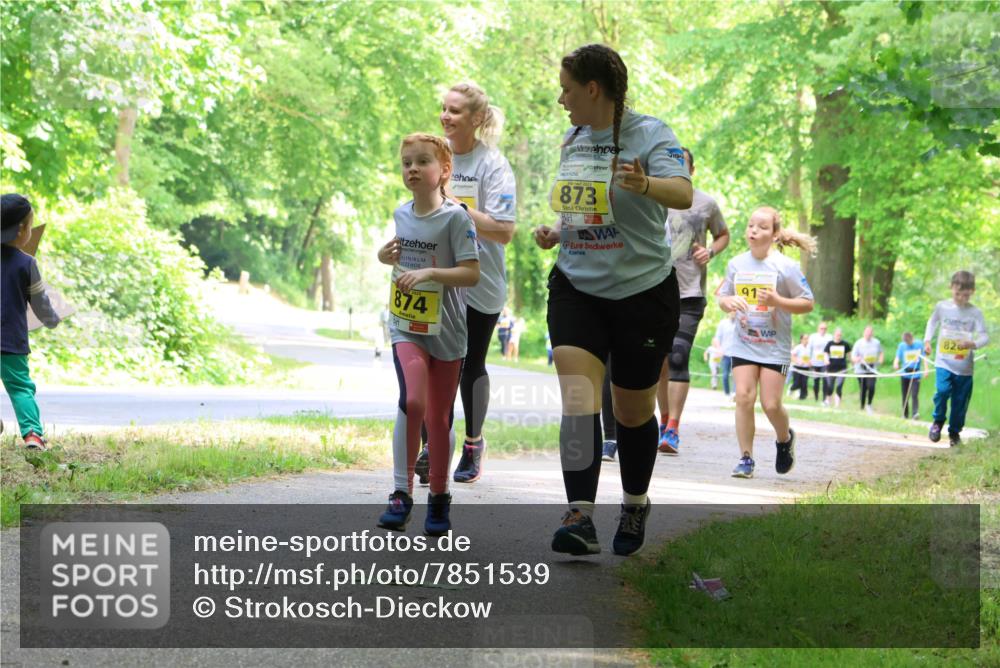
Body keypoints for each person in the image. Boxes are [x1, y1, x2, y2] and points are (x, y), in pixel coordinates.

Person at [533, 43, 692, 556]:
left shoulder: (652, 133)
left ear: (593, 89)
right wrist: (558, 230)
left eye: (567, 90)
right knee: (579, 397)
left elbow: (683, 192)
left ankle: (635, 502)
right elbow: (584, 207)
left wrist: (645, 183)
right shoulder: (574, 140)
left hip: (642, 292)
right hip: (576, 286)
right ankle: (579, 515)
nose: (561, 100)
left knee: (631, 410)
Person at [375, 134, 480, 535]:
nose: (413, 169)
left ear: (445, 171)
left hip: (448, 331)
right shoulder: (401, 214)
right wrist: (384, 257)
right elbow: (398, 261)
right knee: (412, 400)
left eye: (422, 162)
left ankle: (439, 497)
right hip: (406, 326)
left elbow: (471, 273)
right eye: (406, 163)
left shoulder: (456, 218)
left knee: (438, 417)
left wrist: (431, 273)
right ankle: (401, 494)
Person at [413, 84, 517, 486]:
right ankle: (431, 447)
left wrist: (455, 206)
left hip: (479, 281)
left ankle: (473, 443)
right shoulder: (433, 155)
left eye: (455, 111)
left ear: (476, 118)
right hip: (435, 278)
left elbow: (504, 231)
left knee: (469, 364)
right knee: (433, 363)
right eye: (443, 108)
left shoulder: (493, 165)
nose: (445, 116)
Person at [715, 206, 815, 479]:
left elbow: (807, 302)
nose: (754, 231)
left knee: (771, 404)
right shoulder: (736, 264)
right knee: (744, 397)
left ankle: (784, 439)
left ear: (775, 234)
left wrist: (777, 301)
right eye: (750, 226)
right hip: (743, 341)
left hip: (774, 346)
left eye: (762, 227)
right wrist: (728, 302)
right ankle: (745, 458)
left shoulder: (786, 266)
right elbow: (722, 297)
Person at [655, 147, 730, 455]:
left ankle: (673, 428)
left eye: (682, 163)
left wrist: (710, 251)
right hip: (655, 291)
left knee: (678, 355)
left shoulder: (706, 203)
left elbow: (723, 235)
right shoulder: (654, 198)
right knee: (659, 362)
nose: (676, 167)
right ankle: (663, 422)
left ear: (692, 170)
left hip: (690, 293)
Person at [1, 194, 63, 450]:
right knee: (20, 388)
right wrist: (52, 320)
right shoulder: (26, 263)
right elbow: (40, 302)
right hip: (10, 340)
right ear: (21, 230)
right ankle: (33, 435)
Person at [924, 271, 989, 446]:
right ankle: (938, 422)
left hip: (964, 366)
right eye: (957, 293)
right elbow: (932, 322)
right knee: (942, 391)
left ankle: (954, 433)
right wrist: (927, 340)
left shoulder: (975, 312)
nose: (961, 298)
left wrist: (972, 343)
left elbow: (984, 336)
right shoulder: (942, 307)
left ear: (972, 292)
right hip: (943, 361)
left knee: (960, 402)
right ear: (951, 288)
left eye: (965, 295)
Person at [852, 325, 883, 414]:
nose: (868, 334)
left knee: (871, 386)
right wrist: (857, 359)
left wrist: (880, 360)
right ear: (864, 333)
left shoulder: (876, 342)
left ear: (872, 333)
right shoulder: (858, 343)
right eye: (867, 332)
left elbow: (881, 352)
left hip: (872, 369)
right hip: (860, 369)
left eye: (870, 332)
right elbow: (853, 357)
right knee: (863, 388)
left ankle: (869, 404)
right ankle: (862, 405)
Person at [893, 331, 923, 419]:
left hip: (916, 374)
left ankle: (915, 413)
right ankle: (904, 414)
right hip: (905, 374)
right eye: (906, 342)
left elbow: (924, 357)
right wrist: (896, 363)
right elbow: (897, 357)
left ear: (912, 338)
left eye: (909, 342)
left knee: (914, 394)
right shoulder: (902, 346)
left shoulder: (919, 344)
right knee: (905, 395)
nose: (908, 343)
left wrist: (926, 369)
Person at [823, 327, 851, 408]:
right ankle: (828, 401)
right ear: (834, 335)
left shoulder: (845, 344)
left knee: (839, 386)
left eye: (840, 335)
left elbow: (849, 355)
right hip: (831, 369)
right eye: (837, 335)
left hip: (842, 369)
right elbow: (825, 354)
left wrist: (853, 363)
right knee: (830, 386)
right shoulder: (829, 344)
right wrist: (826, 360)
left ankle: (837, 404)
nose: (838, 336)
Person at [807, 321, 832, 402]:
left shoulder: (829, 337)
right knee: (816, 381)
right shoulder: (813, 337)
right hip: (815, 363)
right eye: (821, 328)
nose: (823, 330)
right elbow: (809, 349)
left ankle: (824, 399)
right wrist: (809, 359)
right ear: (818, 329)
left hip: (825, 363)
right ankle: (816, 397)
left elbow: (831, 349)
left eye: (825, 328)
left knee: (825, 381)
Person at [715, 312, 737, 397]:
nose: (733, 313)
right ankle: (727, 394)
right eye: (731, 311)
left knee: (736, 375)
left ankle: (734, 393)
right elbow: (717, 337)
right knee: (725, 375)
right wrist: (719, 349)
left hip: (736, 354)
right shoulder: (723, 323)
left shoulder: (740, 323)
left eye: (734, 311)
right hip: (725, 353)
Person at [789, 333, 810, 400]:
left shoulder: (809, 347)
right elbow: (792, 355)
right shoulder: (798, 347)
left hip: (806, 368)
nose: (806, 340)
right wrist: (797, 361)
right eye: (805, 339)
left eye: (807, 339)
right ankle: (791, 389)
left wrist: (809, 362)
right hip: (797, 368)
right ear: (801, 340)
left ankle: (802, 397)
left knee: (804, 383)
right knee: (797, 382)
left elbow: (809, 357)